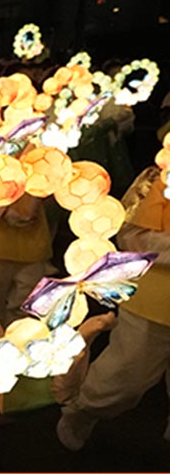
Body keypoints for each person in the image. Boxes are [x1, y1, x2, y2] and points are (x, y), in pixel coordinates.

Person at [58, 165, 170, 450]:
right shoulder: (156, 180)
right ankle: (82, 411)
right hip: (155, 301)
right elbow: (129, 234)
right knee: (124, 380)